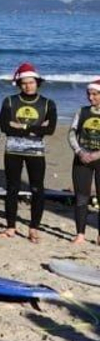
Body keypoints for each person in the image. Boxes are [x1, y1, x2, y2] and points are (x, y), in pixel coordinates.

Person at [0, 63, 58, 242]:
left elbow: (50, 130)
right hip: (13, 150)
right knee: (12, 188)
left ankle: (34, 227)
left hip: (36, 152)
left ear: (37, 82)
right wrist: (35, 128)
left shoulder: (48, 103)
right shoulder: (10, 101)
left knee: (37, 189)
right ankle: (10, 226)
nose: (28, 86)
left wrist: (22, 126)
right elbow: (5, 127)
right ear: (19, 83)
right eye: (24, 83)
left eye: (31, 82)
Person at [69, 79, 100, 245]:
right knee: (81, 197)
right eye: (89, 94)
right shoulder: (82, 112)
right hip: (82, 159)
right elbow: (72, 134)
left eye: (95, 94)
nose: (90, 97)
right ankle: (80, 234)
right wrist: (80, 152)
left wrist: (97, 155)